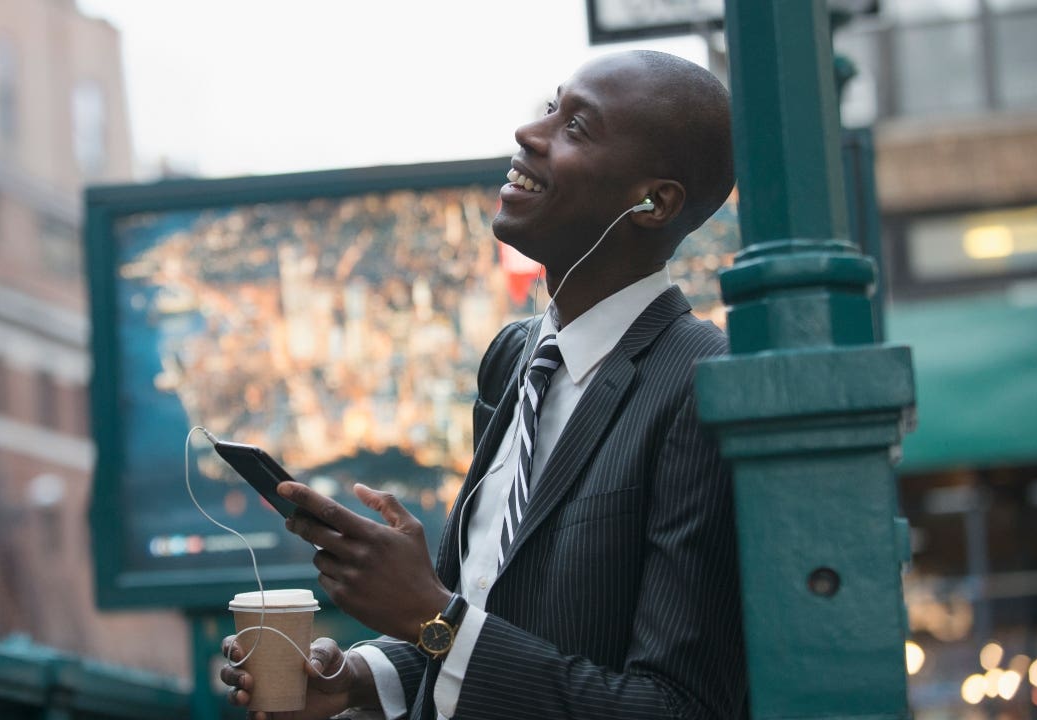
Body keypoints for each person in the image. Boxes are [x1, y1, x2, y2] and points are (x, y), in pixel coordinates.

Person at [220, 49, 745, 719]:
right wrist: (358, 675)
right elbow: (480, 627)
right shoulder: (513, 357)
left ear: (653, 202)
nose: (532, 133)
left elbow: (676, 708)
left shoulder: (700, 387)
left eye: (577, 127)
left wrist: (430, 615)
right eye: (551, 107)